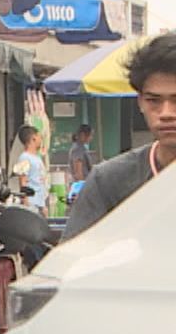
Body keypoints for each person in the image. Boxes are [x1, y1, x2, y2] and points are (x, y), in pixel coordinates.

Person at [66, 34, 176, 238]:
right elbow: (71, 262)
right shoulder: (108, 181)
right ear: (141, 102)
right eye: (154, 101)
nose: (166, 113)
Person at [9, 126, 48, 212]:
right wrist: (26, 202)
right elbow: (23, 181)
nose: (41, 140)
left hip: (40, 202)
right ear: (33, 138)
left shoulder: (37, 158)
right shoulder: (24, 157)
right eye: (39, 137)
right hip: (32, 203)